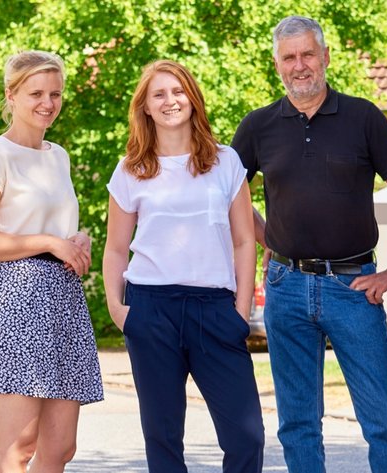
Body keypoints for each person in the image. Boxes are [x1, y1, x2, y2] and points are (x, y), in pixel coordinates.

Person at [230, 15, 387, 473]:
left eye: (308, 54)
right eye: (289, 58)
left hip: (355, 288)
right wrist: (266, 234)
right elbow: (225, 196)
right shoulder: (258, 127)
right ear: (277, 66)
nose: (300, 66)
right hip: (286, 288)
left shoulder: (363, 117)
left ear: (326, 57)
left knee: (384, 419)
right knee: (297, 423)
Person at [102, 59, 264, 473]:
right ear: (146, 107)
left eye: (178, 92)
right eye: (159, 94)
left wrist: (240, 312)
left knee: (246, 437)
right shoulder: (131, 170)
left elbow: (245, 241)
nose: (170, 101)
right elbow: (116, 248)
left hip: (216, 309)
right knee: (163, 436)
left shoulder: (226, 163)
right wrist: (119, 311)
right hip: (151, 310)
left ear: (192, 99)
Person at [0, 50, 104, 473]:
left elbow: (55, 224)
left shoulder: (59, 156)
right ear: (12, 93)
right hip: (18, 299)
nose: (47, 103)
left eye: (55, 93)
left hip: (63, 299)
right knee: (17, 450)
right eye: (36, 92)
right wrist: (49, 242)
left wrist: (77, 240)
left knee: (60, 448)